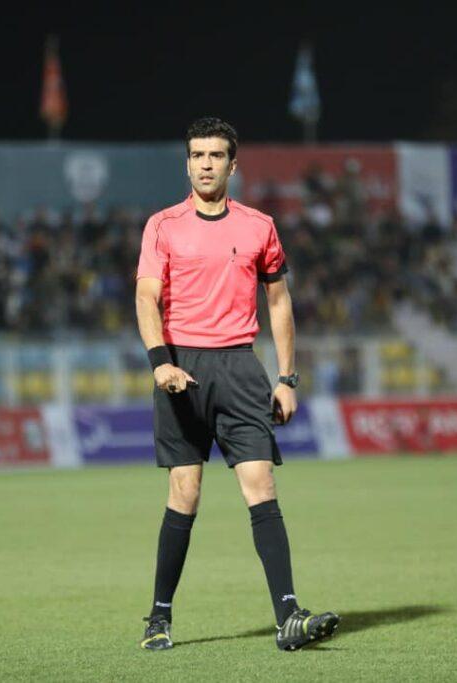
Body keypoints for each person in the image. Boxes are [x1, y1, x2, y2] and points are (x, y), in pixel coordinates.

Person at [135, 117, 339, 652]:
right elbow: (146, 297)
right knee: (185, 491)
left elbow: (278, 302)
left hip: (241, 370)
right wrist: (160, 363)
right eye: (197, 154)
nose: (205, 163)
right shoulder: (162, 225)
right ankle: (158, 616)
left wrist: (287, 378)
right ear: (187, 162)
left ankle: (289, 617)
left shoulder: (259, 226)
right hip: (180, 370)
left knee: (262, 488)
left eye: (216, 155)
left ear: (232, 164)